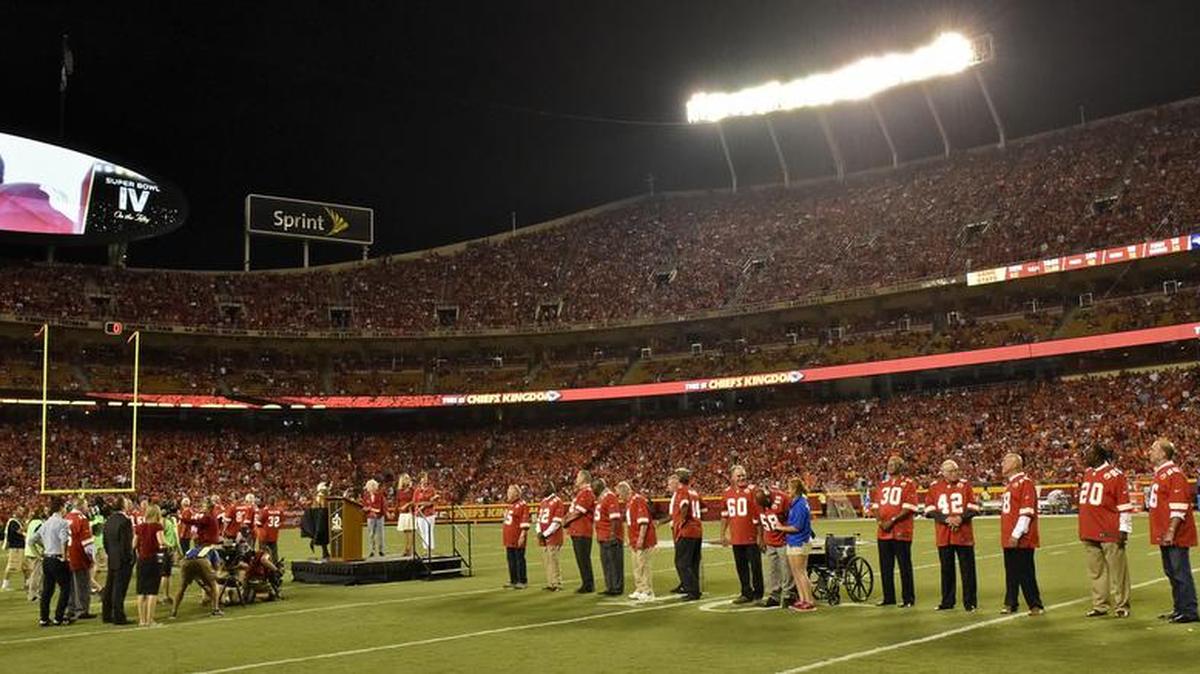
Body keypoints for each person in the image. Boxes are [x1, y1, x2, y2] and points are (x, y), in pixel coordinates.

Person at [1078, 444, 1133, 618]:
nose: (1085, 456)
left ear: (1098, 455)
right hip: (1089, 528)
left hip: (1109, 529)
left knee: (1118, 571)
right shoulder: (1088, 473)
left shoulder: (1115, 475)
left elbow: (1124, 504)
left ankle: (1122, 605)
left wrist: (1124, 528)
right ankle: (1100, 604)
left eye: (1088, 453)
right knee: (1096, 571)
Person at [1147, 438, 1198, 623]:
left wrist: (1171, 530)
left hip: (1175, 533)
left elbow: (1179, 505)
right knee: (1171, 571)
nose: (1149, 452)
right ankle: (1180, 608)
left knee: (1180, 571)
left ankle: (1189, 611)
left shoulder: (1173, 473)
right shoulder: (1161, 473)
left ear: (1163, 453)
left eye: (1153, 448)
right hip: (1164, 531)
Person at [924, 459, 979, 612]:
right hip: (944, 534)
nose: (954, 473)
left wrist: (960, 518)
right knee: (946, 570)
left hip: (963, 533)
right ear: (943, 472)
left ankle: (970, 602)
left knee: (968, 570)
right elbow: (928, 510)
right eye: (951, 471)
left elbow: (973, 507)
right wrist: (946, 519)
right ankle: (947, 601)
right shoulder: (935, 487)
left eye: (956, 470)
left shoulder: (965, 485)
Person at [1000, 452, 1044, 616]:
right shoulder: (1010, 484)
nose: (1002, 464)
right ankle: (1011, 602)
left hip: (1021, 537)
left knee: (1025, 572)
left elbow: (1026, 512)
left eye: (1006, 461)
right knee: (1011, 572)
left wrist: (1016, 534)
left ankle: (1035, 604)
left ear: (1015, 464)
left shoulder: (1025, 483)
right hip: (1008, 535)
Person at [871, 455, 918, 608]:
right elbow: (876, 506)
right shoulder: (882, 485)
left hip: (901, 530)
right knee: (885, 566)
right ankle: (888, 597)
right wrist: (880, 521)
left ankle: (908, 598)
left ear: (900, 466)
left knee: (904, 566)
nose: (890, 465)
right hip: (883, 532)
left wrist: (891, 521)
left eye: (894, 463)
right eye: (889, 463)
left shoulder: (908, 484)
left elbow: (909, 507)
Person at [721, 465, 763, 604]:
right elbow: (725, 515)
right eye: (738, 476)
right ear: (732, 478)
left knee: (755, 566)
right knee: (741, 566)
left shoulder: (753, 490)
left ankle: (758, 594)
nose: (741, 478)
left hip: (751, 535)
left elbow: (759, 514)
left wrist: (760, 536)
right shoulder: (727, 492)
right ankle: (746, 593)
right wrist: (722, 534)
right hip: (736, 536)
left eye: (743, 475)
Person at [773, 477, 817, 612]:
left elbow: (796, 527)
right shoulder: (797, 503)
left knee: (801, 572)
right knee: (796, 572)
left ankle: (809, 600)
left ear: (795, 489)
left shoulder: (800, 504)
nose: (788, 491)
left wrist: (780, 528)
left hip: (799, 541)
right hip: (794, 541)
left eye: (790, 488)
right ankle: (803, 599)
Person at [30, 496, 72, 626]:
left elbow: (32, 540)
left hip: (47, 559)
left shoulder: (46, 523)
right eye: (64, 507)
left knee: (47, 590)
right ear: (61, 507)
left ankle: (44, 618)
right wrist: (64, 557)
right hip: (57, 558)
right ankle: (59, 617)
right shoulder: (62, 522)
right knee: (66, 588)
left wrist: (40, 554)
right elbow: (63, 540)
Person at [756, 484, 796, 608]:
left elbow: (793, 518)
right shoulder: (759, 502)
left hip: (783, 540)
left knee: (786, 569)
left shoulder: (782, 498)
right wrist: (761, 538)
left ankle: (789, 595)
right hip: (769, 541)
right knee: (773, 570)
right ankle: (775, 595)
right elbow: (760, 521)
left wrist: (789, 536)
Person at [619, 481, 656, 601]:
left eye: (620, 495)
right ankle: (640, 588)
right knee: (636, 565)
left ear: (625, 492)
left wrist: (641, 538)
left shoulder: (638, 500)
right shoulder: (629, 502)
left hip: (643, 539)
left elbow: (644, 522)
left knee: (643, 565)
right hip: (634, 539)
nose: (620, 498)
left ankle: (648, 591)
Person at [561, 469, 596, 594]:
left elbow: (578, 512)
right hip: (577, 530)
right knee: (581, 559)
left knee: (583, 559)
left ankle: (588, 584)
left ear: (584, 479)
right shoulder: (581, 493)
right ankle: (586, 583)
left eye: (578, 477)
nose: (576, 479)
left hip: (583, 531)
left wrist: (565, 521)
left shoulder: (586, 493)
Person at [671, 468, 703, 601]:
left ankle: (692, 590)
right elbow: (704, 508)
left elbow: (684, 505)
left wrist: (681, 522)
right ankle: (695, 589)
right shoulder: (694, 492)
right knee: (693, 562)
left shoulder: (682, 491)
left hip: (687, 530)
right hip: (697, 529)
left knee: (682, 562)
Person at [101, 497, 133, 625]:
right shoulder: (125, 521)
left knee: (110, 587)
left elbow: (105, 541)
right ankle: (119, 616)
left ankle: (106, 614)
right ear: (123, 506)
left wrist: (110, 554)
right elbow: (126, 543)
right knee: (119, 589)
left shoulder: (109, 520)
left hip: (112, 557)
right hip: (122, 559)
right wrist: (129, 558)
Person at [133, 503, 166, 627]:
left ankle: (142, 620)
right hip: (153, 559)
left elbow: (134, 543)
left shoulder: (139, 527)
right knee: (152, 591)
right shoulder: (157, 526)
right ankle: (150, 620)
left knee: (141, 591)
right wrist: (166, 546)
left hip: (141, 560)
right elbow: (161, 542)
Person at [170, 544, 223, 619]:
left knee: (182, 588)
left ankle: (173, 613)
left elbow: (197, 576)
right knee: (214, 584)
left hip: (185, 562)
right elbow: (217, 568)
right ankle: (215, 610)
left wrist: (204, 585)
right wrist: (218, 576)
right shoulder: (213, 550)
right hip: (202, 560)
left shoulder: (192, 549)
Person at [65, 497, 96, 620]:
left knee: (71, 584)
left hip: (68, 553)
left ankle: (71, 608)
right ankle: (82, 610)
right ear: (81, 506)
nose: (87, 508)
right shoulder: (82, 519)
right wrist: (91, 557)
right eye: (86, 505)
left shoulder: (67, 517)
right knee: (83, 583)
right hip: (79, 555)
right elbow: (86, 542)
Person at [593, 478, 624, 596]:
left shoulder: (609, 497)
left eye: (594, 487)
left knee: (614, 563)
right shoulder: (602, 498)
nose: (592, 490)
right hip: (603, 536)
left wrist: (613, 534)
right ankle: (610, 586)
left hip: (610, 537)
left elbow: (615, 518)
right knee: (606, 563)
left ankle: (616, 588)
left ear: (600, 486)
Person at [535, 481, 566, 592]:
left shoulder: (557, 501)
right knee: (547, 560)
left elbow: (557, 522)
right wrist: (538, 532)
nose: (541, 489)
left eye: (544, 487)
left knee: (553, 560)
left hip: (553, 536)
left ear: (550, 488)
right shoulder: (543, 502)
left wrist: (545, 534)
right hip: (543, 536)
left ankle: (557, 583)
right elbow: (538, 519)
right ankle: (550, 583)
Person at [501, 484, 530, 589]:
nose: (507, 494)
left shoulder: (522, 505)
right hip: (509, 538)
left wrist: (523, 534)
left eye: (509, 492)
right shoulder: (511, 505)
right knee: (511, 559)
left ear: (516, 493)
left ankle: (522, 580)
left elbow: (525, 521)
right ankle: (513, 580)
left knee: (519, 559)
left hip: (517, 537)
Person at [159, 503, 183, 607]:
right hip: (163, 550)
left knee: (167, 574)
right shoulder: (164, 521)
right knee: (164, 574)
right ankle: (163, 596)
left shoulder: (167, 521)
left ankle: (166, 595)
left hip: (167, 550)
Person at [3, 505, 29, 592]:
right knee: (11, 566)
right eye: (21, 511)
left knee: (26, 567)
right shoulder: (13, 522)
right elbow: (19, 531)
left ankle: (27, 584)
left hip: (21, 546)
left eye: (23, 510)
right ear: (16, 511)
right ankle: (5, 585)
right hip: (16, 547)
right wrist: (26, 526)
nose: (22, 512)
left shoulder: (18, 521)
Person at [412, 472, 439, 555]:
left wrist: (427, 503)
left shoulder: (431, 489)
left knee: (429, 531)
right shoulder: (417, 490)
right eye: (423, 478)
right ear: (420, 480)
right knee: (422, 531)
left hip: (429, 513)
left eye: (426, 478)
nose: (425, 480)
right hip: (420, 514)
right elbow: (414, 502)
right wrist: (419, 507)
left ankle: (430, 549)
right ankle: (425, 549)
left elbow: (434, 501)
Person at [23, 507, 45, 603]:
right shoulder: (39, 523)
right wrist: (44, 546)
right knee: (37, 574)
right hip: (36, 551)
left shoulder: (32, 522)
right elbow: (38, 537)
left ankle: (33, 592)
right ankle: (33, 595)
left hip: (29, 550)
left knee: (35, 573)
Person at [363, 479, 388, 557]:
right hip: (370, 517)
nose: (372, 488)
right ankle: (371, 550)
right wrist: (369, 510)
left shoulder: (380, 495)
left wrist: (377, 511)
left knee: (380, 534)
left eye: (373, 486)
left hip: (379, 517)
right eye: (370, 486)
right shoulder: (366, 496)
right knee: (371, 534)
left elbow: (382, 506)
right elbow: (364, 506)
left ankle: (381, 550)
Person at [256, 497, 285, 562]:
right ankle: (275, 565)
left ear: (268, 502)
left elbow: (258, 522)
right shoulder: (279, 511)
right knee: (274, 552)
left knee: (262, 552)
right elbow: (282, 522)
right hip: (274, 535)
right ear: (275, 502)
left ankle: (263, 566)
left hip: (264, 535)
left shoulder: (265, 511)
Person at [395, 474, 416, 558]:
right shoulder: (399, 491)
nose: (406, 480)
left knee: (410, 531)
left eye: (408, 479)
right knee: (405, 532)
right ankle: (406, 548)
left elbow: (414, 500)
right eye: (405, 479)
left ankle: (409, 549)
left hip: (409, 512)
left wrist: (407, 505)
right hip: (402, 513)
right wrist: (396, 511)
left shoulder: (412, 490)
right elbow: (397, 501)